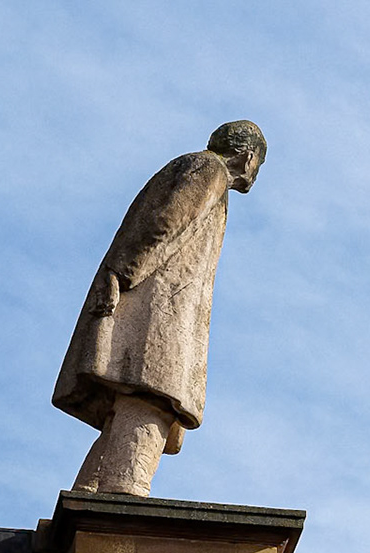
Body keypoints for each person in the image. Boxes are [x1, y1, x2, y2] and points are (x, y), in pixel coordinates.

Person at [55, 120, 266, 496]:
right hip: (156, 312)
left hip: (155, 304)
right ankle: (121, 497)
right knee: (155, 398)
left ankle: (92, 493)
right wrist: (121, 274)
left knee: (139, 407)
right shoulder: (210, 170)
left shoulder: (193, 167)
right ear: (249, 157)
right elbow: (164, 222)